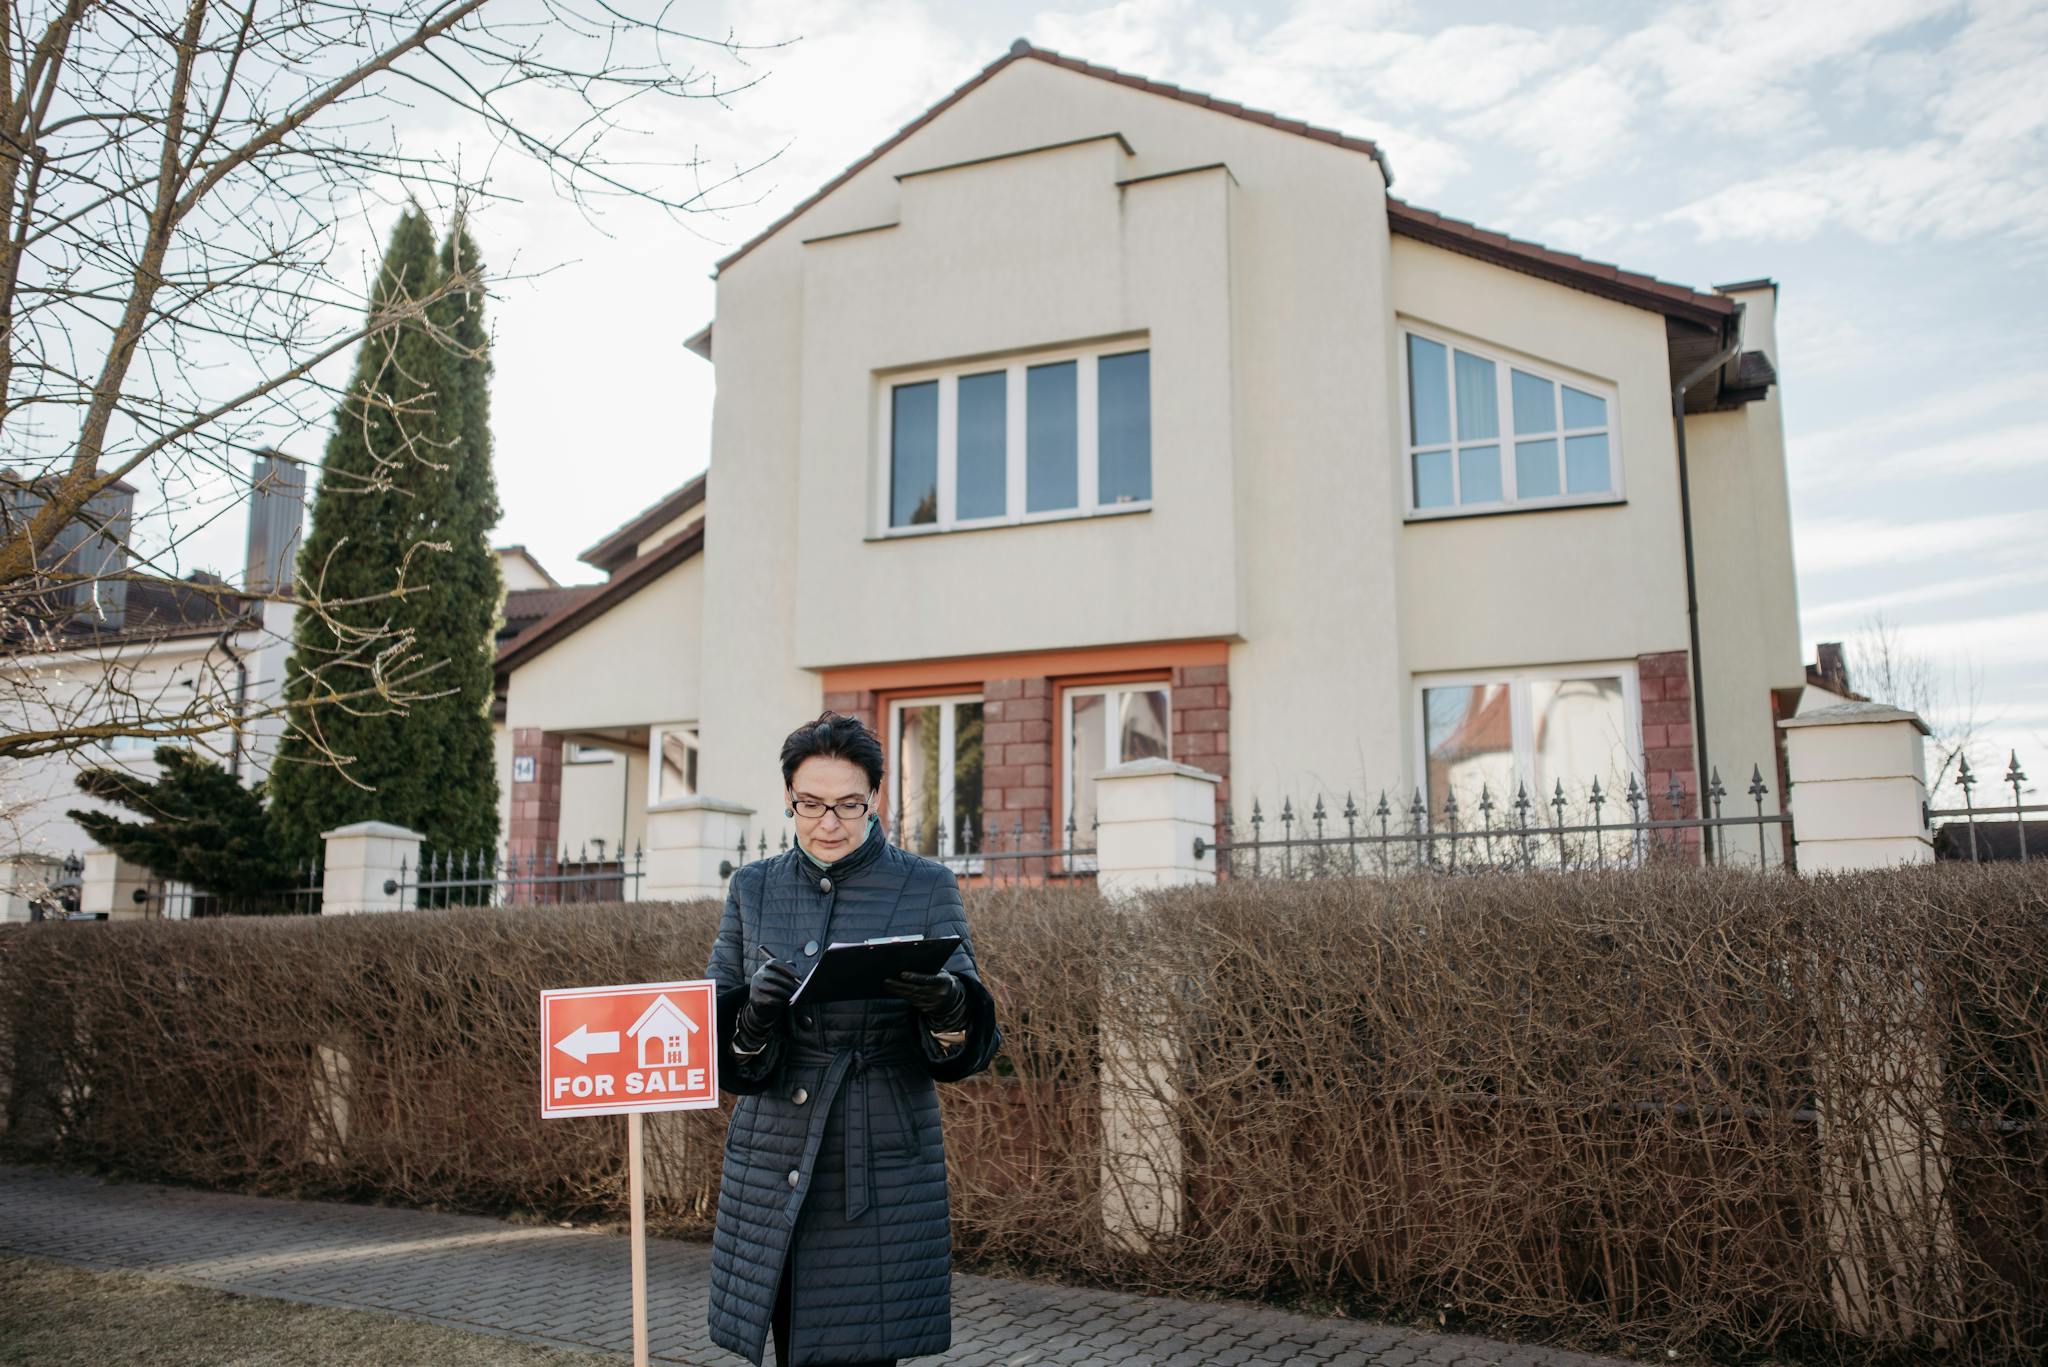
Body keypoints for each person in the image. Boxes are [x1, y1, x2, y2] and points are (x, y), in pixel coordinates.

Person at [705, 712, 1001, 1366]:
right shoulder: (753, 888)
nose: (828, 822)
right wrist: (752, 1023)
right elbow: (714, 1026)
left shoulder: (925, 885)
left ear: (876, 799)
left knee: (864, 1351)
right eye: (810, 803)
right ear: (788, 797)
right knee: (789, 1346)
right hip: (771, 1156)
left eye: (848, 804)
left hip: (880, 1157)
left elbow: (972, 1032)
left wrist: (947, 1004)